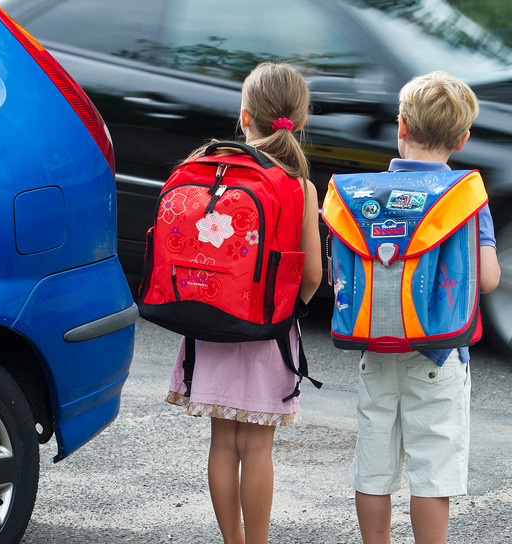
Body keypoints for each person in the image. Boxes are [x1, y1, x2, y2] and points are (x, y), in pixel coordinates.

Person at [164, 62, 322, 544]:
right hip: (267, 332)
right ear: (298, 118)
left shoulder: (208, 167)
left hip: (209, 322)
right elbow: (313, 274)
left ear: (244, 114)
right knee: (257, 448)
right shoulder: (298, 185)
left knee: (222, 442)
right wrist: (289, 311)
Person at [347, 71, 501, 544]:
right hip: (437, 352)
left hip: (376, 346)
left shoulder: (364, 195)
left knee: (373, 468)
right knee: (432, 470)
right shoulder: (463, 196)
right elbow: (489, 278)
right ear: (462, 138)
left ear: (401, 128)